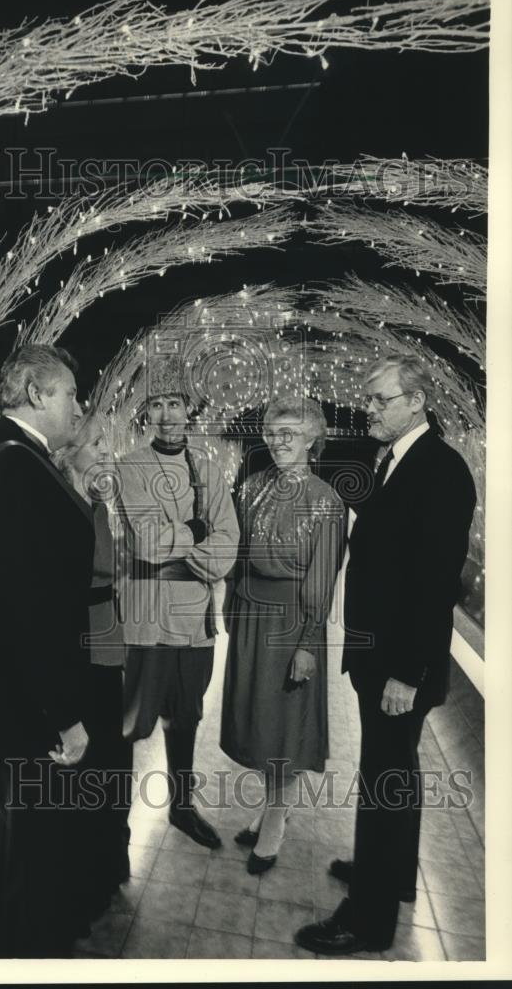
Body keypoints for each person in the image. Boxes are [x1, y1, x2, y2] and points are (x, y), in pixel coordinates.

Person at [295, 354, 477, 955]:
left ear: (416, 401)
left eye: (379, 399)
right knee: (396, 774)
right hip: (383, 655)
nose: (367, 409)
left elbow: (434, 584)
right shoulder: (395, 458)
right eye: (367, 399)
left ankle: (366, 921)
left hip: (399, 664)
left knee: (383, 782)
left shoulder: (441, 471)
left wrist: (407, 672)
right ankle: (393, 875)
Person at [0, 344, 95, 959]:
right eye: (69, 395)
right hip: (20, 703)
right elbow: (29, 611)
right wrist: (63, 715)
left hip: (6, 691)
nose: (77, 407)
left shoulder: (7, 455)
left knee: (19, 846)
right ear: (37, 394)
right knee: (24, 854)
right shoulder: (16, 466)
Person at [116, 355, 239, 848]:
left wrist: (184, 551)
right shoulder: (129, 468)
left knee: (185, 718)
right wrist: (195, 532)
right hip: (145, 622)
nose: (167, 415)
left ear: (190, 411)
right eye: (157, 405)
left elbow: (228, 544)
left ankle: (181, 809)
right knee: (130, 726)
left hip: (193, 624)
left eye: (175, 404)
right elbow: (145, 544)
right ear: (147, 415)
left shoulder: (209, 470)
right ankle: (113, 826)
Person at [221, 397, 346, 873]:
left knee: (284, 728)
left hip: (292, 624)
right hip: (252, 619)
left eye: (289, 434)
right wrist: (232, 605)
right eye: (272, 432)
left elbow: (322, 578)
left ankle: (275, 820)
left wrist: (309, 643)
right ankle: (273, 807)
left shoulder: (327, 500)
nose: (277, 442)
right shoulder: (251, 487)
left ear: (312, 439)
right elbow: (235, 555)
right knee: (258, 722)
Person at [51, 413, 133, 917]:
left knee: (110, 764)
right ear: (66, 453)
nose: (106, 451)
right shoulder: (63, 508)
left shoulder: (96, 503)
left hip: (106, 642)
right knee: (90, 770)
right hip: (79, 649)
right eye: (96, 443)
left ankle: (106, 868)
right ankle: (84, 885)